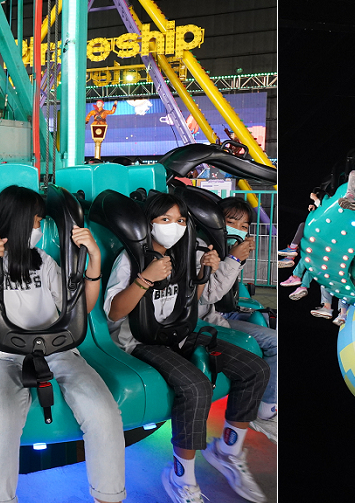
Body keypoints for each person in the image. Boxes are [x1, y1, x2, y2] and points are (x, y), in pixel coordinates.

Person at [0, 186, 125, 503]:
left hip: (57, 351)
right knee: (0, 419)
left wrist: (94, 259)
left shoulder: (42, 260)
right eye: (37, 221)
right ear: (20, 220)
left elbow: (81, 308)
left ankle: (109, 496)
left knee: (104, 413)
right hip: (3, 357)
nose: (39, 229)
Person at [103, 192, 270, 503]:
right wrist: (145, 280)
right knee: (196, 387)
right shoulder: (130, 259)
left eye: (179, 220)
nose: (174, 226)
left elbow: (197, 298)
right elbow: (114, 312)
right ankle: (182, 477)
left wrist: (207, 270)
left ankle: (229, 451)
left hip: (178, 333)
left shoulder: (184, 256)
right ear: (148, 224)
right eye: (165, 220)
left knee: (255, 369)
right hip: (139, 341)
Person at [196, 197, 278, 445]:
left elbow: (225, 294)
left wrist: (235, 259)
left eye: (244, 226)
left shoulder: (224, 246)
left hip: (215, 313)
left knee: (262, 320)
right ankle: (265, 411)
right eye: (231, 221)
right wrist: (233, 259)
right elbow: (210, 293)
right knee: (275, 343)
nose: (238, 229)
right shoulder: (203, 247)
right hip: (201, 321)